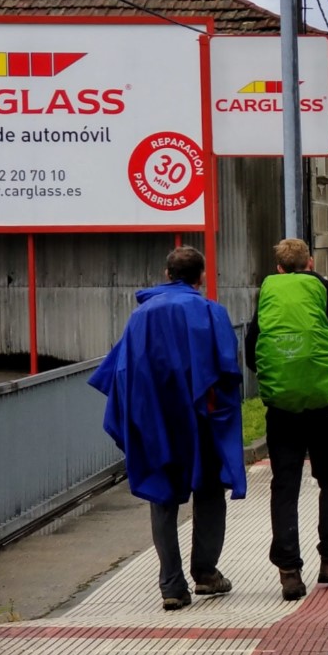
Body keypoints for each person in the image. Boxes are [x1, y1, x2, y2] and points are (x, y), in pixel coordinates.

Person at [88, 246, 246, 611]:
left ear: (166, 274)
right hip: (200, 421)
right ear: (201, 276)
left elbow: (121, 371)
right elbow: (227, 371)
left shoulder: (141, 316)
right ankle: (205, 573)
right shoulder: (211, 312)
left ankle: (171, 587)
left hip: (156, 420)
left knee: (163, 498)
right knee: (208, 492)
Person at [245, 238, 328, 601]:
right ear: (311, 263)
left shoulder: (267, 298)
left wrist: (278, 385)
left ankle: (289, 571)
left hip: (282, 409)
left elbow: (252, 353)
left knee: (285, 484)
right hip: (326, 407)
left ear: (278, 267)